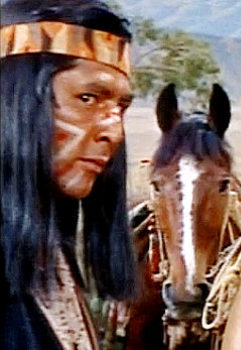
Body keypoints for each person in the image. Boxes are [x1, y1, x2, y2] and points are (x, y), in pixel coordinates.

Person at [0, 0, 137, 349]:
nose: (114, 132)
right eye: (88, 98)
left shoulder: (50, 254)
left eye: (121, 107)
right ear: (14, 99)